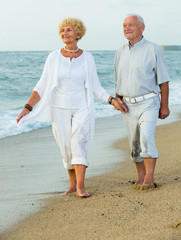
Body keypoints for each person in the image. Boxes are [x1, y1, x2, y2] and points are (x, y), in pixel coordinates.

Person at [17, 17, 127, 198]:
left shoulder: (87, 58)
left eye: (68, 30)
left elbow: (95, 86)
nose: (64, 33)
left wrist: (111, 100)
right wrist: (27, 108)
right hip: (59, 109)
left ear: (77, 34)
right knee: (66, 147)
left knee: (79, 141)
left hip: (82, 107)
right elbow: (41, 85)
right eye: (62, 31)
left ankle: (81, 187)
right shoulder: (53, 57)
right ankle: (72, 184)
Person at [114, 14, 170, 190]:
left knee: (146, 138)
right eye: (124, 25)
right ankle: (140, 175)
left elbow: (163, 80)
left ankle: (149, 178)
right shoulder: (120, 51)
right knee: (134, 145)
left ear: (142, 28)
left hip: (149, 103)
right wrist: (118, 100)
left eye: (131, 25)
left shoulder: (153, 49)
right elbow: (118, 80)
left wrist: (164, 106)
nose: (127, 28)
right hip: (128, 106)